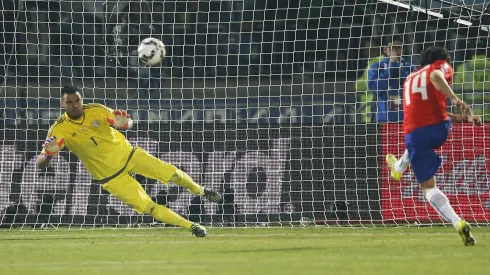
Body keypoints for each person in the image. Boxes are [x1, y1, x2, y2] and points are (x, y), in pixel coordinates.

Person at [36, 85, 222, 237]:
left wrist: (124, 123)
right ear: (62, 103)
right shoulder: (59, 129)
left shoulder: (96, 110)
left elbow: (124, 122)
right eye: (70, 102)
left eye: (78, 100)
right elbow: (40, 162)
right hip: (110, 176)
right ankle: (191, 226)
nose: (75, 105)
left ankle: (200, 190)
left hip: (130, 155)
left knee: (172, 172)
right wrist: (49, 155)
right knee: (148, 207)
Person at [385, 46, 481, 246]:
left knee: (428, 188)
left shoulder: (409, 79)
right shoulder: (438, 67)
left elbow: (426, 109)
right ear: (443, 59)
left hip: (414, 132)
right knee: (415, 150)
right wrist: (457, 103)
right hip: (438, 129)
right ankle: (398, 168)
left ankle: (457, 222)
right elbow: (437, 76)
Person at [367, 37, 417, 122]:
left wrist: (397, 65)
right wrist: (392, 65)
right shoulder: (376, 66)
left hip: (405, 119)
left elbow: (413, 90)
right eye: (392, 47)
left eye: (398, 48)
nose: (395, 51)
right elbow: (375, 89)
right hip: (383, 119)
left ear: (403, 50)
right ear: (385, 49)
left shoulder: (410, 67)